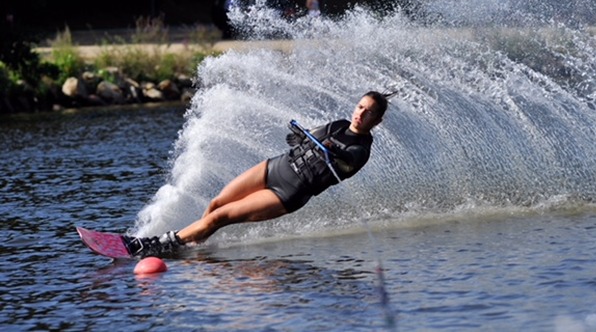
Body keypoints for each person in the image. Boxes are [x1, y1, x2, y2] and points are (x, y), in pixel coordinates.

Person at [125, 90, 396, 258]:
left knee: (220, 217)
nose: (361, 113)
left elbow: (347, 162)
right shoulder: (337, 125)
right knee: (217, 204)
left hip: (290, 192)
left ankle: (156, 244)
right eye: (360, 106)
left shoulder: (361, 150)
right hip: (275, 167)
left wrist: (332, 152)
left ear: (377, 121)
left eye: (369, 112)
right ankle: (191, 245)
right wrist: (299, 137)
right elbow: (304, 140)